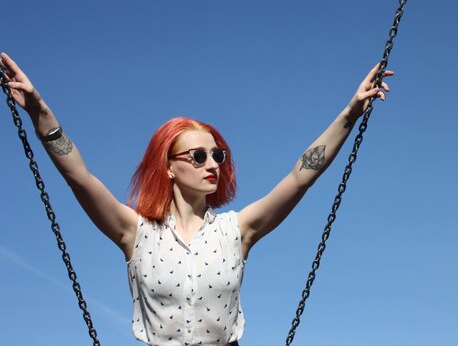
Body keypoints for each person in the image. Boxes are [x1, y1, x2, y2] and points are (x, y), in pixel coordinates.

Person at [0, 52, 393, 346]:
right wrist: (39, 111)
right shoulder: (135, 232)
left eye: (218, 155)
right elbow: (79, 178)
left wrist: (351, 112)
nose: (212, 164)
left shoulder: (236, 231)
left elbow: (300, 177)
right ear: (169, 166)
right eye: (199, 155)